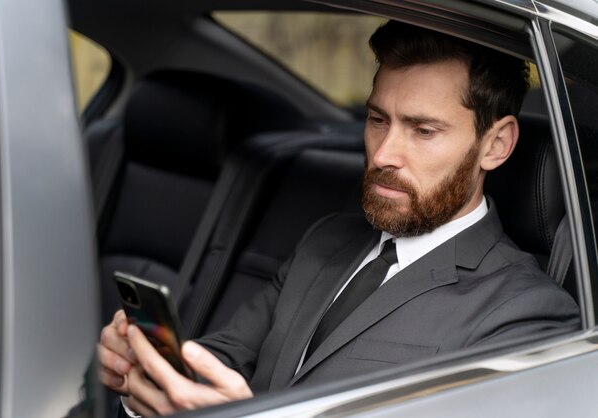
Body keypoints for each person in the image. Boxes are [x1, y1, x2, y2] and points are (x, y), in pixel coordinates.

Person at [98, 21, 580, 416]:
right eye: (377, 120)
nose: (384, 153)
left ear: (496, 145)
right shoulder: (325, 240)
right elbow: (227, 356)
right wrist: (149, 378)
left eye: (423, 130)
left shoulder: (527, 317)